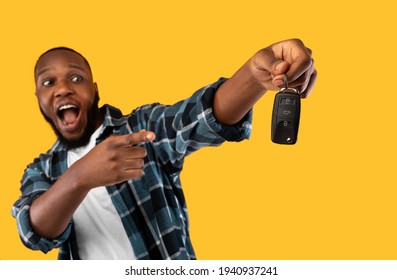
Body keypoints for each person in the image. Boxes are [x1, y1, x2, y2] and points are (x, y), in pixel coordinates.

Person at [12, 38, 317, 260]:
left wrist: (252, 74)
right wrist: (80, 176)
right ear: (38, 96)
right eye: (48, 82)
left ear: (94, 89)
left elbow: (198, 118)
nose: (62, 88)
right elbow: (33, 232)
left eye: (76, 78)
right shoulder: (41, 171)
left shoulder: (140, 129)